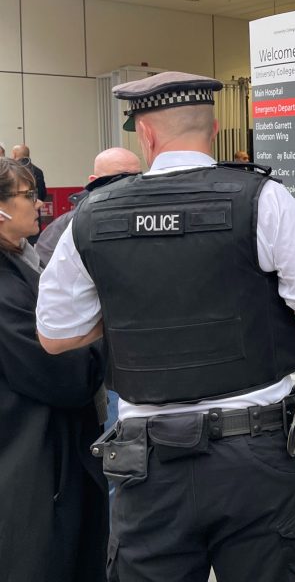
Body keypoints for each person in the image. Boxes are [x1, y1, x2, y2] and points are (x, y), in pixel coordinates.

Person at [36, 71, 295, 582]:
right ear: (215, 127)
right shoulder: (261, 198)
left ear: (147, 134)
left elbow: (55, 335)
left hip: (149, 462)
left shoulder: (91, 216)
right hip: (256, 456)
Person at [0, 157, 108, 581]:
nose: (41, 203)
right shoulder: (6, 287)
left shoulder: (24, 261)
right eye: (28, 196)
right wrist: (100, 336)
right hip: (34, 462)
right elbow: (62, 376)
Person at [35, 147, 142, 266]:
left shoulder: (148, 217)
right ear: (94, 181)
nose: (130, 185)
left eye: (138, 177)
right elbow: (49, 271)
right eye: (119, 178)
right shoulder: (68, 225)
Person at [12, 144, 47, 243]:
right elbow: (43, 193)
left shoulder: (12, 172)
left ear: (14, 154)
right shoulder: (38, 171)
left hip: (17, 216)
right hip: (34, 216)